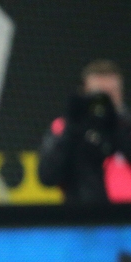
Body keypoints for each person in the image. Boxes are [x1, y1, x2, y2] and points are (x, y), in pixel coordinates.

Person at [38, 59, 131, 204]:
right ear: (85, 93)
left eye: (112, 93)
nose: (107, 101)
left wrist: (117, 126)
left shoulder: (126, 127)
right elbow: (48, 177)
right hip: (85, 219)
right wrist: (73, 130)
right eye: (100, 95)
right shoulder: (65, 127)